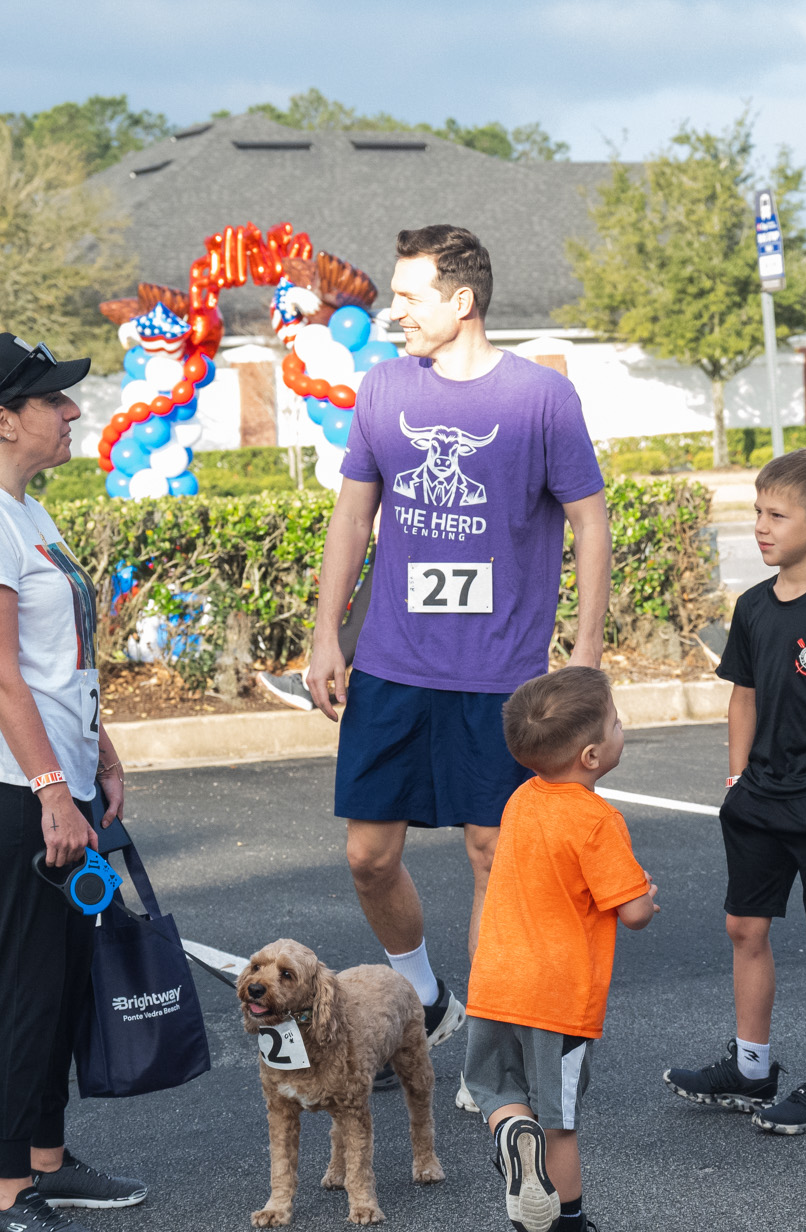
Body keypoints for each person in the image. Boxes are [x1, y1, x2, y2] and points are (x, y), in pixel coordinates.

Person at [303, 225, 611, 1106]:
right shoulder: (382, 387)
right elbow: (352, 518)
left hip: (501, 674)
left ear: (462, 300)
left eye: (409, 297)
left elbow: (591, 522)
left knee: (492, 856)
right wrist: (327, 633)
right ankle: (426, 998)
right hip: (393, 664)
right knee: (368, 855)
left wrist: (585, 655)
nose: (393, 312)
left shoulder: (541, 398)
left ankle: (489, 1043)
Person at [0, 334, 146, 1232]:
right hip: (8, 782)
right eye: (55, 400)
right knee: (22, 982)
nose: (73, 411)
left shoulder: (23, 509)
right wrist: (53, 789)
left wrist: (100, 749)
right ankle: (5, 1196)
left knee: (60, 978)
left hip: (55, 773)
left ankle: (46, 1161)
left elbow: (60, 664)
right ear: (4, 421)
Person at [664, 449, 806, 1135]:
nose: (760, 527)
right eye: (757, 512)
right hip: (757, 797)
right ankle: (752, 1067)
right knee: (745, 926)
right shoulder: (753, 607)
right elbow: (744, 697)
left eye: (776, 515)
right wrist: (737, 778)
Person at [463, 667, 658, 1232]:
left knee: (497, 1087)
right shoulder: (597, 820)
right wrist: (648, 896)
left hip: (495, 981)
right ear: (592, 756)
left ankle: (509, 1133)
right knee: (559, 1121)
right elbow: (633, 913)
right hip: (557, 996)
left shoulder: (521, 799)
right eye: (616, 722)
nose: (622, 728)